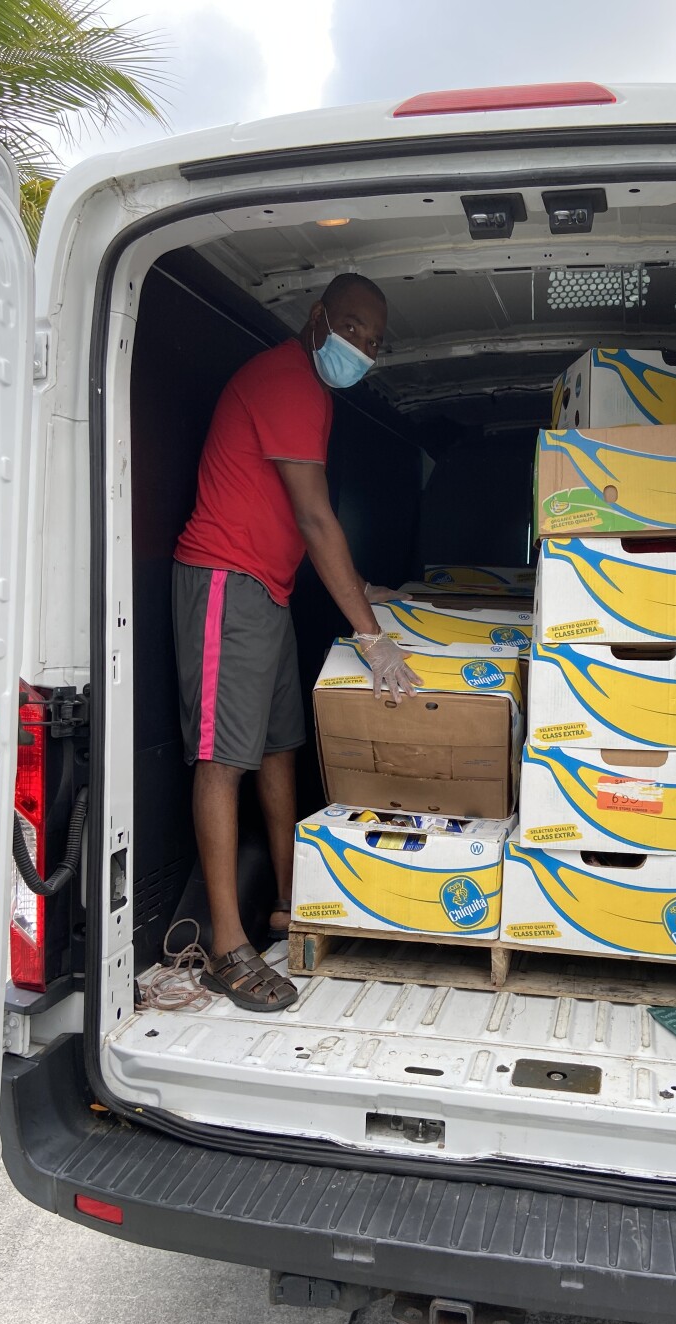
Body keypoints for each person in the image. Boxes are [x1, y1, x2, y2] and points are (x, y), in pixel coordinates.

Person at [172, 273, 420, 1013]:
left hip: (268, 590)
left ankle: (287, 903)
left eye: (372, 342)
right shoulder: (288, 380)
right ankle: (226, 947)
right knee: (223, 760)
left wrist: (359, 588)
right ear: (317, 319)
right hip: (225, 581)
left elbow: (300, 526)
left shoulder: (312, 393)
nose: (360, 347)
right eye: (350, 327)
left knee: (280, 749)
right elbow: (315, 520)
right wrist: (371, 639)